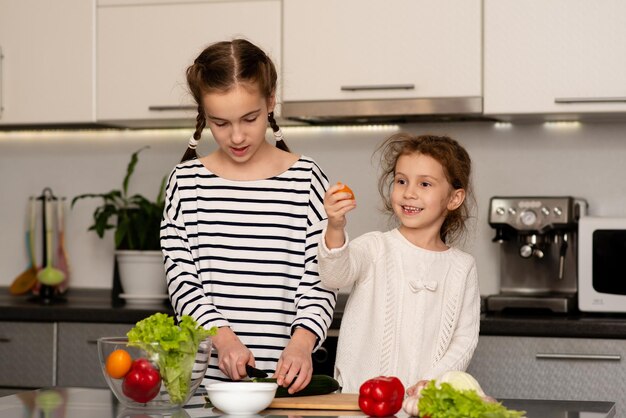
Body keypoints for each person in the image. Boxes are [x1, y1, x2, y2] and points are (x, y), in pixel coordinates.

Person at [160, 39, 337, 394]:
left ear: (270, 102)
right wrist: (223, 340)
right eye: (220, 123)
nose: (237, 136)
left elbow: (320, 279)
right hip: (205, 388)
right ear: (203, 115)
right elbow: (183, 284)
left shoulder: (307, 180)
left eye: (250, 119)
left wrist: (302, 344)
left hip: (284, 386)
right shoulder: (186, 183)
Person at [318, 132, 480, 393]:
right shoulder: (375, 247)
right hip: (359, 403)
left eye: (424, 184)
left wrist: (431, 384)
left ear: (454, 198)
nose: (409, 193)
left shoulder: (462, 267)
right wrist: (335, 226)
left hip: (423, 403)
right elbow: (334, 276)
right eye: (401, 181)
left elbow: (464, 340)